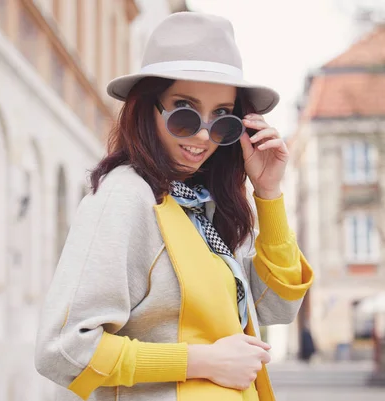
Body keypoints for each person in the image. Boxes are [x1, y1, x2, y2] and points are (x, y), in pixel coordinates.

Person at [35, 12, 314, 401]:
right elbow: (63, 349)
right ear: (148, 108)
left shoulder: (203, 208)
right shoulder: (126, 197)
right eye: (184, 110)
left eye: (222, 118)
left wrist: (268, 193)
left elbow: (277, 308)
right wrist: (201, 361)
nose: (203, 134)